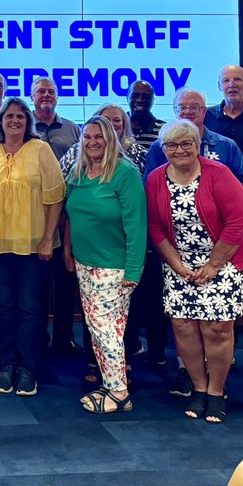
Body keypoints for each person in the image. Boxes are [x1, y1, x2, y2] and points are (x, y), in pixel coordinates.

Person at [146, 119, 243, 425]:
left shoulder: (219, 174)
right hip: (179, 263)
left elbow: (237, 222)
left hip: (225, 260)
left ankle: (217, 392)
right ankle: (199, 387)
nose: (179, 150)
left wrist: (212, 266)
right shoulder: (155, 179)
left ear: (197, 145)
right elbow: (155, 226)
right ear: (162, 149)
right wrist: (177, 265)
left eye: (186, 144)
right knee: (183, 328)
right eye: (171, 145)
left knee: (216, 328)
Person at [0, 97, 65, 398]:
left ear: (28, 122)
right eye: (8, 116)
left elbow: (55, 199)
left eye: (20, 117)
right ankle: (8, 364)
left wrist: (47, 239)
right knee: (4, 307)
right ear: (0, 121)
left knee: (31, 308)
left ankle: (28, 367)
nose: (14, 121)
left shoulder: (41, 150)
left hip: (33, 246)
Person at [63, 116, 146, 414]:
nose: (93, 142)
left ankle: (120, 392)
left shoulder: (125, 174)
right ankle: (111, 383)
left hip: (114, 267)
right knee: (101, 330)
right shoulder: (79, 172)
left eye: (99, 136)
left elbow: (137, 226)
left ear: (111, 139)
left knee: (105, 329)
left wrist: (133, 272)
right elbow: (71, 215)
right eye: (87, 137)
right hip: (85, 264)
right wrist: (69, 251)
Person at [32, 77, 83, 358]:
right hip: (35, 215)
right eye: (41, 91)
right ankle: (38, 338)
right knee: (38, 284)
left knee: (65, 281)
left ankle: (64, 340)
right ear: (32, 96)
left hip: (68, 216)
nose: (46, 95)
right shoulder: (25, 127)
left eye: (51, 91)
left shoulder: (73, 128)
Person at [144, 89, 243, 185]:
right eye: (182, 107)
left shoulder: (227, 146)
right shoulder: (159, 146)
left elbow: (242, 183)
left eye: (194, 107)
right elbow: (150, 184)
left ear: (204, 111)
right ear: (175, 111)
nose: (188, 112)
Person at [204, 66, 243, 179]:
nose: (232, 84)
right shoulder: (206, 116)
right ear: (219, 86)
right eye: (226, 81)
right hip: (214, 183)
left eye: (237, 79)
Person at [127, 81, 165, 146]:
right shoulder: (116, 127)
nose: (140, 100)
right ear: (127, 98)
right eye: (135, 96)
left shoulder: (164, 130)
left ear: (153, 100)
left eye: (145, 97)